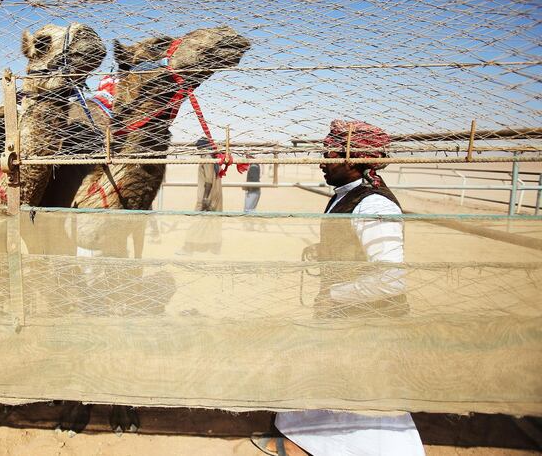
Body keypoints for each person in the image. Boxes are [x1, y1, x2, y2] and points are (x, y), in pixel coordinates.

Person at [252, 119, 424, 456]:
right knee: (324, 378)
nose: (322, 161)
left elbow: (392, 278)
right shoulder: (347, 196)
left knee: (368, 394)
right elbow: (355, 249)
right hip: (344, 316)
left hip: (367, 320)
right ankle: (300, 440)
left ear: (353, 159)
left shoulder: (374, 204)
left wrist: (335, 295)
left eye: (329, 154)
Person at [179, 137, 223, 255]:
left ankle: (188, 247)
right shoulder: (213, 158)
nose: (198, 151)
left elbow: (208, 180)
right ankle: (215, 247)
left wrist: (204, 199)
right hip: (216, 195)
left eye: (199, 149)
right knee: (214, 221)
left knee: (197, 221)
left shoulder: (207, 158)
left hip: (207, 196)